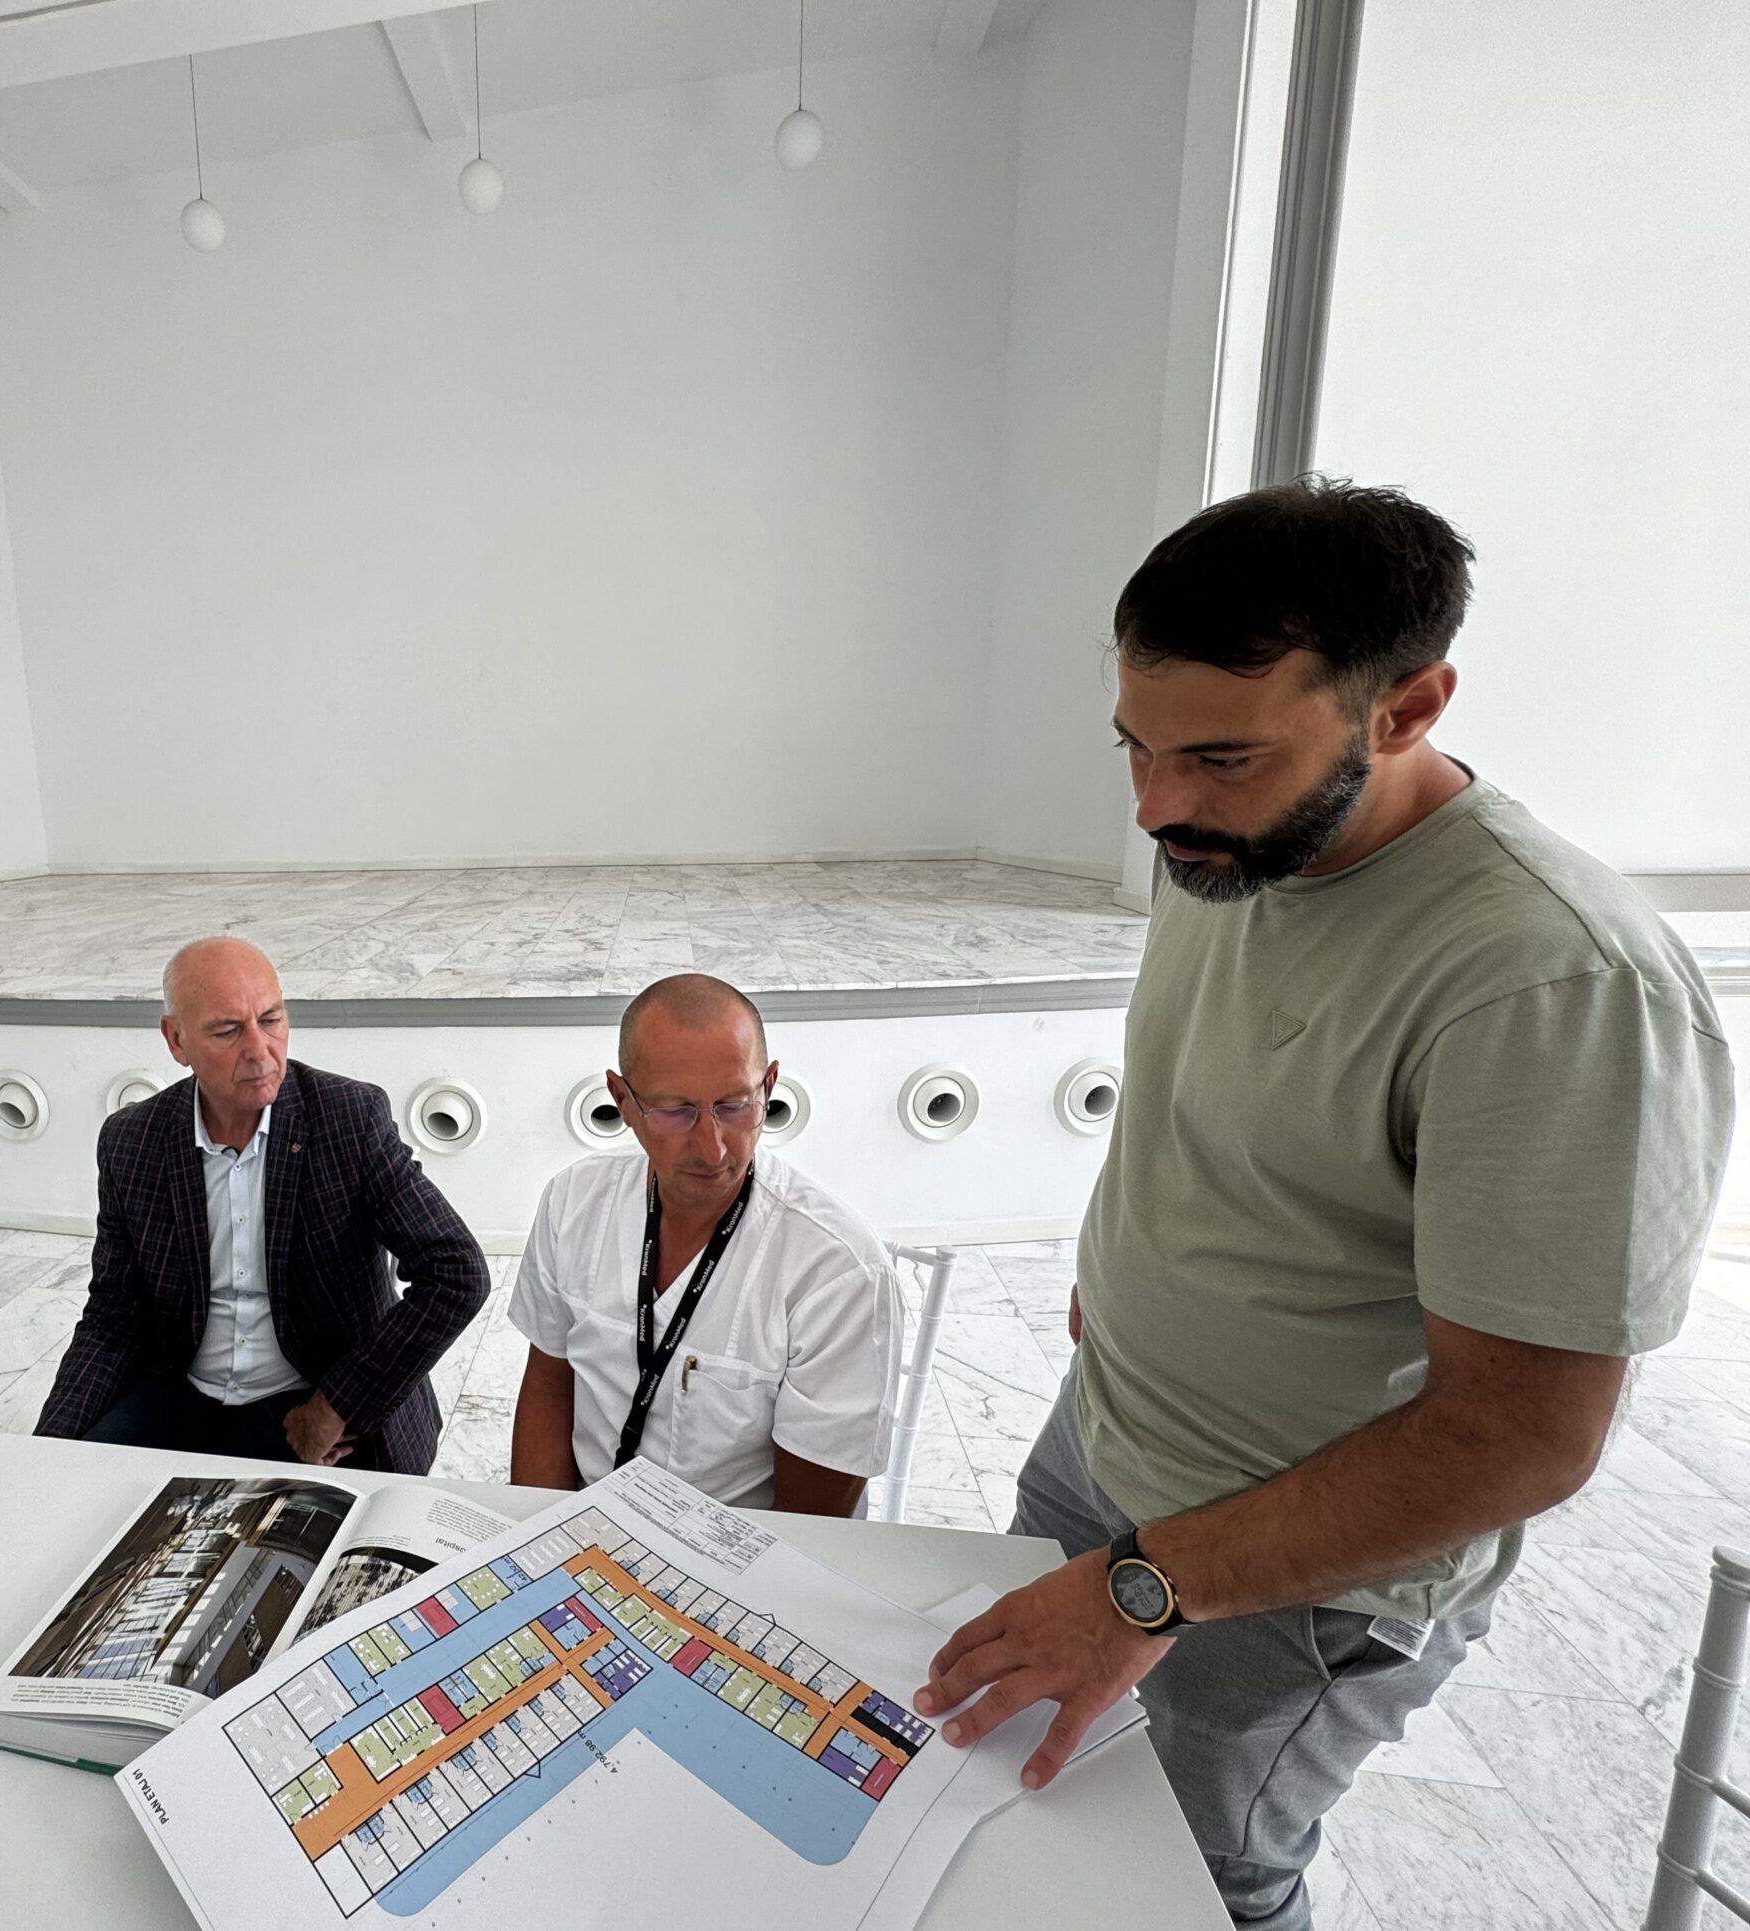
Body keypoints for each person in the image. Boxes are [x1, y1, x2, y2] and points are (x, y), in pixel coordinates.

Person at [912, 480, 1735, 1930]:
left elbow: (1522, 1434)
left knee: (1188, 1884)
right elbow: (1227, 1096)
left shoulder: (1553, 980)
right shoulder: (1233, 847)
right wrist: (1130, 1283)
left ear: (1407, 706)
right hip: (1100, 1444)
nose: (1157, 805)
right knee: (1032, 1824)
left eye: (1220, 755)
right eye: (1136, 746)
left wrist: (1147, 1587)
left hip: (1286, 1583)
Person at [35, 936, 488, 1473]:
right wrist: (46, 1446)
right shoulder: (132, 1141)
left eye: (270, 1020)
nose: (259, 1050)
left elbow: (457, 1272)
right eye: (227, 1030)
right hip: (180, 1392)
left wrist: (336, 1405)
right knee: (68, 1491)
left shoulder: (348, 1119)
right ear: (176, 1040)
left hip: (309, 1400)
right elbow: (114, 1314)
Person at [507, 972, 899, 1516]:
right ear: (622, 1101)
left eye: (735, 1106)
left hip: (746, 1550)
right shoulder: (573, 1203)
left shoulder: (837, 1271)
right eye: (676, 1111)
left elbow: (811, 1524)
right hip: (587, 1526)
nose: (711, 1149)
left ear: (769, 1086)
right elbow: (549, 1386)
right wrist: (541, 1536)